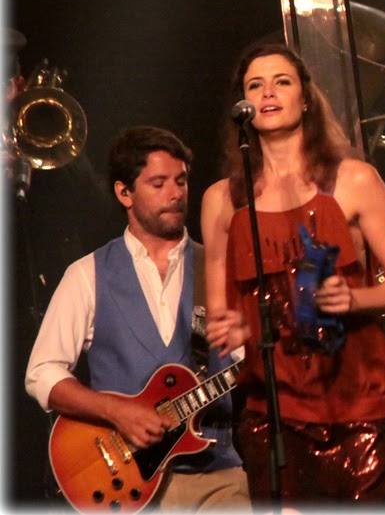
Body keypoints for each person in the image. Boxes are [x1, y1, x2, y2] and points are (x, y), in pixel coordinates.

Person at [201, 42, 385, 503]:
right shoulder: (221, 200)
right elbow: (222, 312)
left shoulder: (355, 180)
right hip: (272, 414)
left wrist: (355, 298)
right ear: (243, 106)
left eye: (281, 81)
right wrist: (231, 327)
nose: (268, 92)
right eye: (255, 85)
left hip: (359, 408)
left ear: (305, 98)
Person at [26, 127, 248, 511]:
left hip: (218, 476)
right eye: (158, 184)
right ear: (124, 193)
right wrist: (116, 411)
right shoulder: (87, 274)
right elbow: (42, 373)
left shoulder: (218, 268)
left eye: (181, 181)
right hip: (126, 483)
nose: (175, 194)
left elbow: (249, 361)